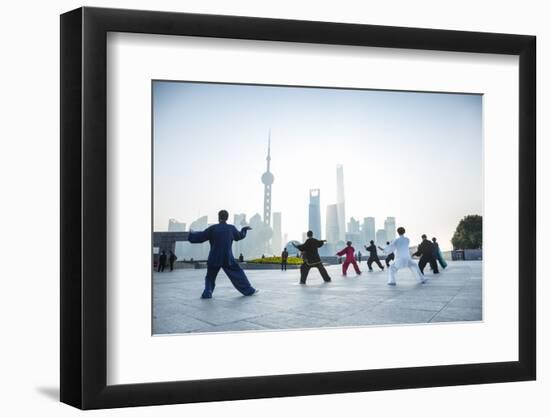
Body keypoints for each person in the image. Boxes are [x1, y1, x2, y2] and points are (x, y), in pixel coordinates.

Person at [188, 209, 258, 299]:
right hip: (227, 258)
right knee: (238, 273)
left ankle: (208, 292)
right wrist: (244, 229)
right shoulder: (231, 228)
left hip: (214, 257)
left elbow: (201, 236)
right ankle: (249, 290)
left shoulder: (213, 228)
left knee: (210, 276)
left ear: (219, 217)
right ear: (227, 218)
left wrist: (191, 234)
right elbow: (239, 236)